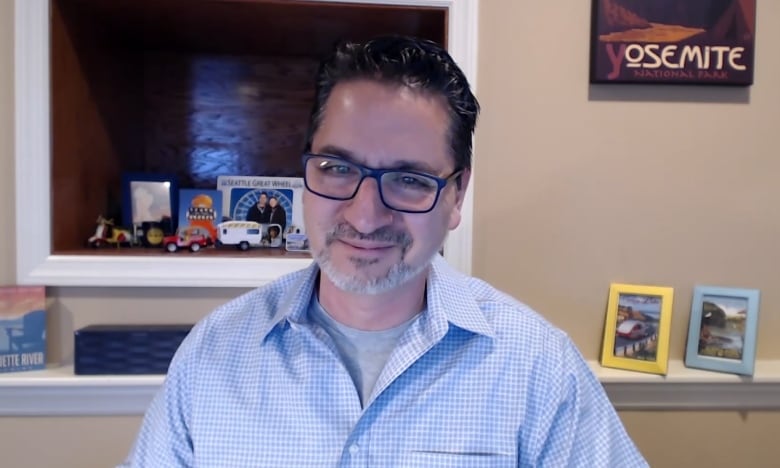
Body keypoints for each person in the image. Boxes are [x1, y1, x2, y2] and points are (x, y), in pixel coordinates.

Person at [122, 35, 647, 467]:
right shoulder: (213, 353)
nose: (365, 215)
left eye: (409, 179)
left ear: (457, 194)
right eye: (337, 168)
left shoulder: (537, 366)